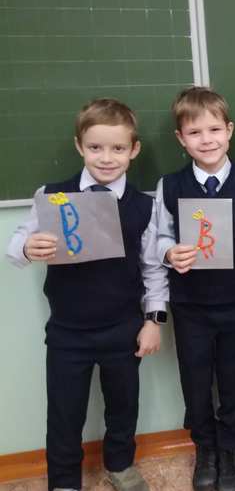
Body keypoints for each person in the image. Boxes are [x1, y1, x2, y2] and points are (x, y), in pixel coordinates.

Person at [6, 98, 167, 491]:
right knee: (65, 412)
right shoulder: (52, 195)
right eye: (95, 147)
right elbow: (15, 245)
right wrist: (27, 247)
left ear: (134, 150)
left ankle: (120, 465)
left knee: (123, 405)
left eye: (117, 148)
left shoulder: (144, 207)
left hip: (123, 328)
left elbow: (152, 268)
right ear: (79, 146)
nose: (106, 158)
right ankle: (64, 481)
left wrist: (154, 320)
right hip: (68, 331)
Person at [155, 87, 235, 491]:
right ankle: (205, 446)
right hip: (191, 305)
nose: (206, 139)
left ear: (229, 131)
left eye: (214, 129)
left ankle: (230, 447)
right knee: (195, 378)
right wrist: (169, 253)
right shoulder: (170, 185)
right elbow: (159, 236)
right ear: (180, 138)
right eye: (195, 132)